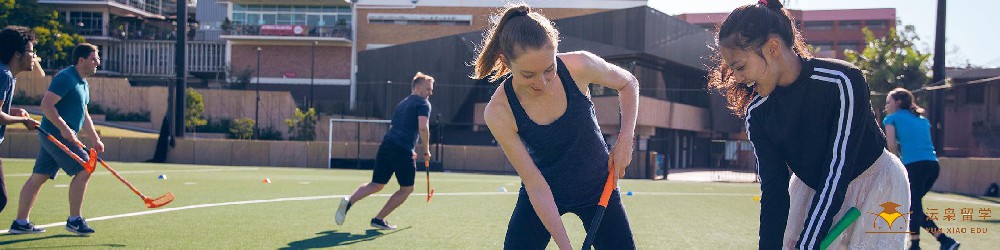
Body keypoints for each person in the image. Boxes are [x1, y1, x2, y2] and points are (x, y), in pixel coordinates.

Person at [707, 0, 912, 248]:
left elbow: (837, 169)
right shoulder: (757, 114)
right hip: (813, 191)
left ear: (772, 48)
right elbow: (774, 192)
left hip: (874, 186)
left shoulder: (842, 82)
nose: (738, 78)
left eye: (740, 66)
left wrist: (808, 243)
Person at [474, 4, 640, 249]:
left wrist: (625, 140)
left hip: (598, 186)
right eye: (528, 75)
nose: (541, 83)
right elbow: (536, 186)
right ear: (505, 63)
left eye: (549, 69)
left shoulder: (579, 66)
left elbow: (629, 83)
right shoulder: (499, 112)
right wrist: (565, 246)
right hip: (544, 191)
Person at [9, 43, 104, 235]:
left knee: (39, 177)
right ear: (81, 60)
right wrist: (65, 129)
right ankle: (75, 220)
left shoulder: (83, 82)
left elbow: (83, 113)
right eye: (94, 59)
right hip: (55, 135)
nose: (98, 63)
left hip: (56, 136)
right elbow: (46, 105)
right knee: (85, 168)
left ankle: (20, 222)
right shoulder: (66, 77)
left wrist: (95, 138)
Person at [335, 72, 434, 230]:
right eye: (428, 89)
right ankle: (378, 219)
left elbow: (402, 127)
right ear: (417, 87)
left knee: (376, 184)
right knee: (407, 188)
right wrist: (426, 149)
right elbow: (423, 127)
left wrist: (411, 149)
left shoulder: (403, 103)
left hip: (387, 144)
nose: (430, 93)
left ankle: (349, 200)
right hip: (401, 149)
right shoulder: (423, 104)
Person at [883, 88, 960, 250]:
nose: (886, 105)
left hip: (915, 166)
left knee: (912, 206)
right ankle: (935, 241)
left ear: (898, 102)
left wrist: (895, 168)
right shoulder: (921, 119)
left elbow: (891, 145)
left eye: (888, 101)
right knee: (913, 206)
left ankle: (931, 243)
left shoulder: (891, 119)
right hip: (932, 165)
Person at [0, 25, 43, 215]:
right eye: (31, 52)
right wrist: (22, 122)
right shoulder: (4, 75)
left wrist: (14, 111)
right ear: (17, 54)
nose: (34, 57)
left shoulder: (6, 74)